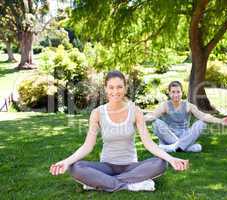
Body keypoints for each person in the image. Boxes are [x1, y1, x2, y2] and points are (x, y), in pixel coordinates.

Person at [49, 71, 189, 192]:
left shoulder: (135, 111)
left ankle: (101, 183)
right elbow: (87, 146)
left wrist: (171, 158)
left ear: (125, 88)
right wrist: (66, 162)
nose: (115, 91)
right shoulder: (97, 113)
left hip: (131, 167)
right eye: (111, 87)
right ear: (105, 89)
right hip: (106, 166)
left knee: (161, 163)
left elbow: (148, 143)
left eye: (119, 87)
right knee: (75, 168)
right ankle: (130, 185)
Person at [144, 80, 227, 153]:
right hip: (169, 137)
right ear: (169, 93)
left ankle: (169, 148)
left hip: (184, 136)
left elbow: (204, 116)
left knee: (202, 123)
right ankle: (181, 146)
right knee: (156, 123)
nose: (176, 95)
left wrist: (220, 121)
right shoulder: (165, 106)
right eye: (173, 92)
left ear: (182, 92)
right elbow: (152, 116)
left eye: (178, 92)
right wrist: (139, 118)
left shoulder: (188, 106)